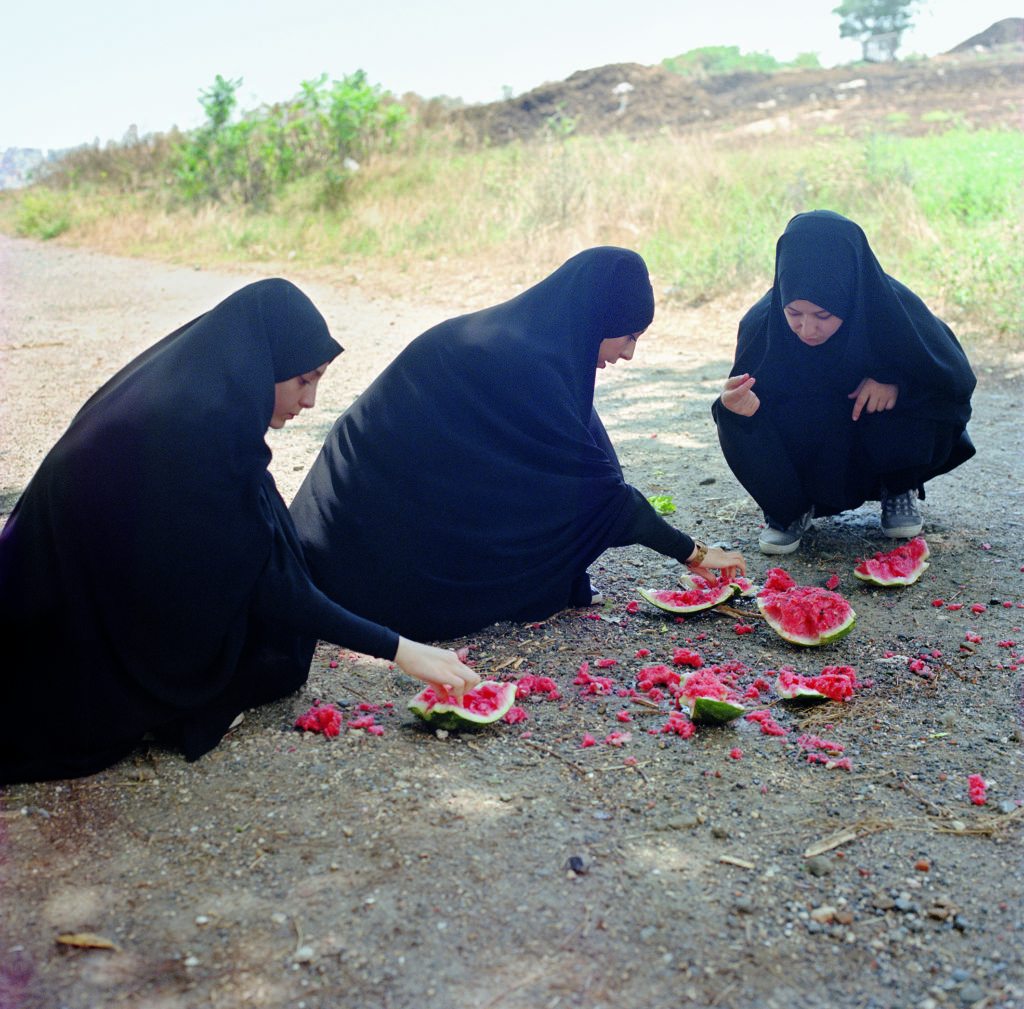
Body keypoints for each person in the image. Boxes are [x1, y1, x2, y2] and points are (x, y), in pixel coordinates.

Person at [0, 279, 478, 785]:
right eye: (303, 381)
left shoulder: (201, 390)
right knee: (260, 649)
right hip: (67, 625)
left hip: (96, 577)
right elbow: (272, 586)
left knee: (264, 521)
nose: (311, 402)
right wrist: (402, 649)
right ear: (260, 363)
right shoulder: (194, 429)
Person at [290, 247, 745, 642]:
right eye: (628, 336)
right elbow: (599, 496)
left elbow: (595, 468)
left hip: (378, 510)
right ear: (598, 320)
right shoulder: (528, 365)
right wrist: (694, 552)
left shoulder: (537, 339)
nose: (628, 354)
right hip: (361, 540)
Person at [712, 210, 976, 555]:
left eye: (823, 315)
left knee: (915, 396)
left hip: (875, 434)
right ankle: (787, 510)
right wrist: (739, 409)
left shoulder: (891, 307)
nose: (807, 329)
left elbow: (954, 383)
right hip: (809, 443)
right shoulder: (762, 323)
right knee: (734, 415)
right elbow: (745, 412)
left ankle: (898, 488)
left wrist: (897, 387)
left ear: (850, 293)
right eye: (794, 313)